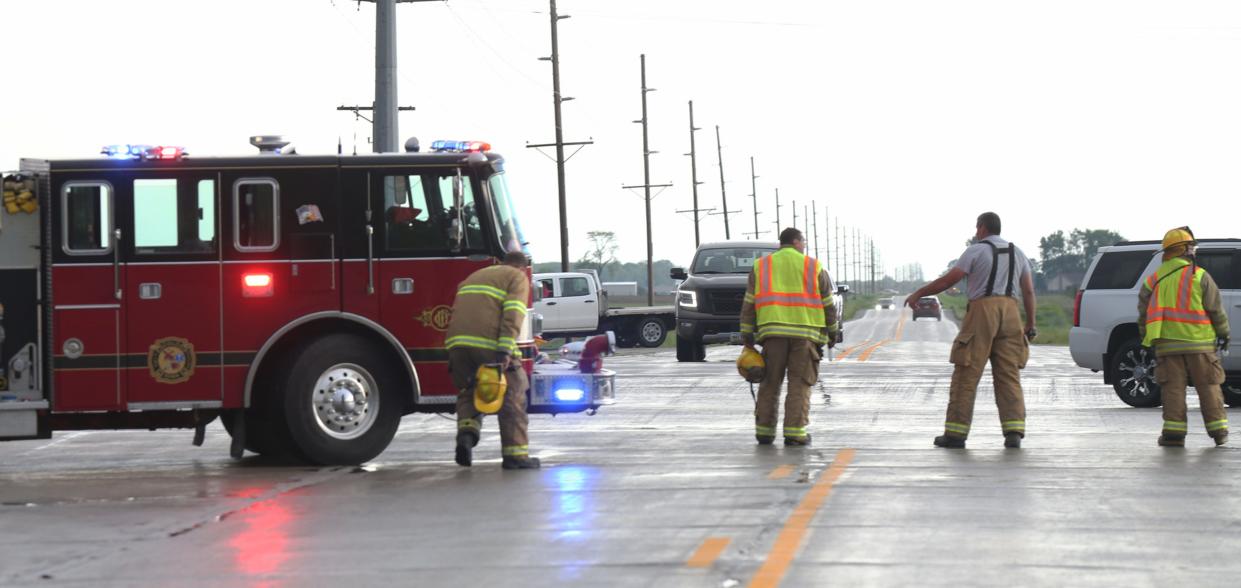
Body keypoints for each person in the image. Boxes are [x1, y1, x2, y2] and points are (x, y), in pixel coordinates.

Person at [905, 212, 1036, 449]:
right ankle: (1013, 432)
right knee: (1009, 374)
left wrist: (919, 293)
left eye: (977, 228)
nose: (976, 232)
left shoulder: (976, 251)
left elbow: (948, 281)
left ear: (983, 228)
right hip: (1011, 312)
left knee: (966, 372)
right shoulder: (1019, 253)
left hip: (982, 310)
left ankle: (955, 434)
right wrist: (1031, 324)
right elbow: (1028, 291)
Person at [739, 228, 839, 446]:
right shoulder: (813, 266)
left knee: (769, 383)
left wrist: (747, 334)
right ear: (796, 242)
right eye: (803, 241)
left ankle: (764, 432)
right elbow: (828, 304)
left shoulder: (761, 266)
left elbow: (748, 303)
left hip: (772, 334)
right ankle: (794, 433)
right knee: (799, 385)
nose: (804, 245)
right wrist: (833, 331)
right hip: (805, 336)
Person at [445, 250, 540, 469]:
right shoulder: (516, 277)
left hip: (457, 344)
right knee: (513, 392)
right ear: (522, 267)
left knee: (469, 392)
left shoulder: (476, 275)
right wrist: (505, 350)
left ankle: (466, 436)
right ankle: (515, 455)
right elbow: (513, 313)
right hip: (487, 344)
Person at [1138, 227, 1231, 447]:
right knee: (1209, 386)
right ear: (1184, 250)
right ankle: (1219, 433)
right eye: (1192, 247)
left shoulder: (1153, 280)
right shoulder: (1199, 275)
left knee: (1172, 390)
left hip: (1167, 346)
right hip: (1199, 345)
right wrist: (1224, 334)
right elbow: (1216, 309)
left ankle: (1173, 435)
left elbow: (1143, 314)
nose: (1194, 251)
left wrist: (1147, 339)